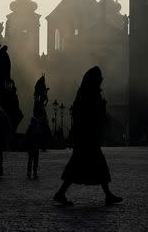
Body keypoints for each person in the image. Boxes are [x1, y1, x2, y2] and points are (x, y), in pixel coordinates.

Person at [53, 66, 123, 206]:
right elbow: (89, 116)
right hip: (87, 138)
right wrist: (101, 108)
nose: (101, 82)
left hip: (87, 137)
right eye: (100, 79)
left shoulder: (85, 93)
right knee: (88, 166)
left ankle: (62, 193)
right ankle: (61, 193)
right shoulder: (90, 94)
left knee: (86, 166)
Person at [25, 115, 44, 179]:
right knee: (34, 160)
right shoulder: (37, 130)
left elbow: (27, 139)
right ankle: (34, 172)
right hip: (34, 147)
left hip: (32, 147)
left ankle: (29, 172)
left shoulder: (30, 129)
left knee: (31, 160)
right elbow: (39, 139)